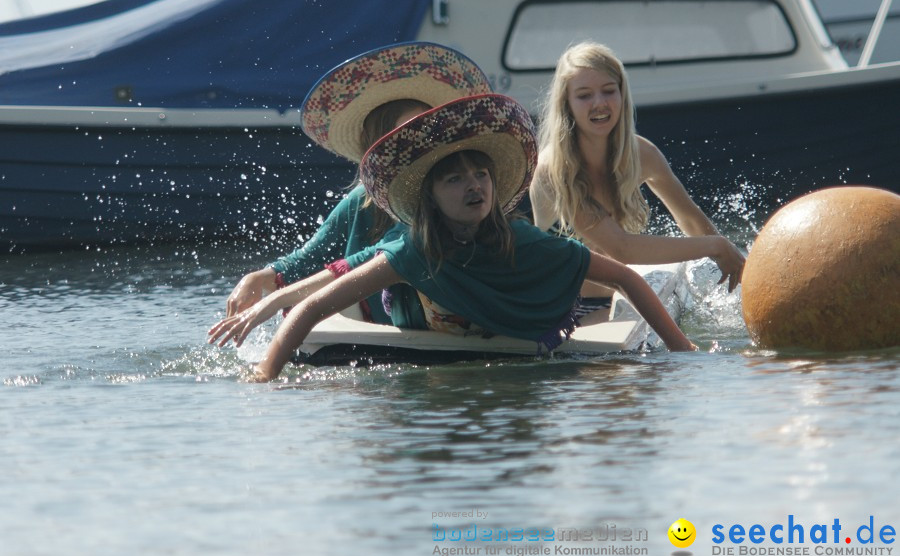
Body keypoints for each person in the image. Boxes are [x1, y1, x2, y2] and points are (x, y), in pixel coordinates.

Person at [208, 94, 695, 382]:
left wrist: (683, 351)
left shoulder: (520, 239)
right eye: (454, 179)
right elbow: (314, 305)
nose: (473, 185)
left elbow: (627, 276)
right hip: (411, 324)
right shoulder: (408, 249)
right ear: (428, 197)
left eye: (480, 175)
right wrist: (264, 378)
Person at [222, 41, 492, 325]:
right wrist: (259, 277)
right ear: (380, 150)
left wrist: (278, 298)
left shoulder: (460, 199)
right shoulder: (361, 204)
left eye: (427, 130)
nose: (420, 144)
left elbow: (367, 260)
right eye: (406, 136)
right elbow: (308, 259)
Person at [530, 41, 746, 317]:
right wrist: (716, 246)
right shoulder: (554, 169)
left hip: (613, 305)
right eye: (584, 95)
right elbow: (622, 248)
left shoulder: (642, 154)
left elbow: (692, 222)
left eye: (609, 91)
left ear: (622, 95)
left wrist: (737, 263)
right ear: (567, 104)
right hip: (557, 312)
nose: (599, 103)